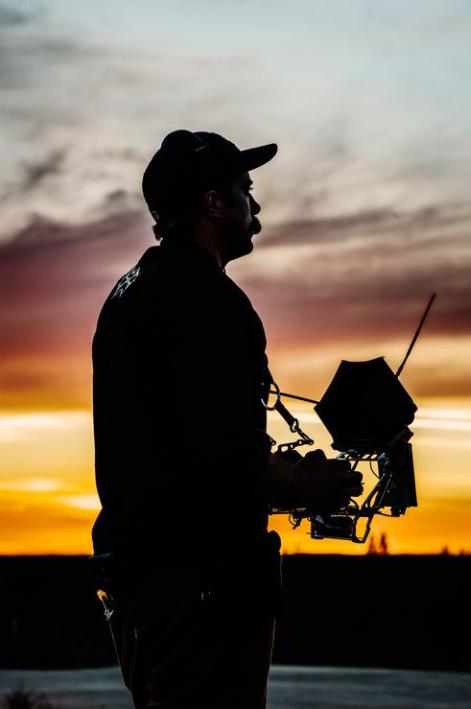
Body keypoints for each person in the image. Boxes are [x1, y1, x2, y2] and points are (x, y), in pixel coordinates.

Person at [91, 130, 361, 708]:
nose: (255, 205)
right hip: (200, 593)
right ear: (213, 202)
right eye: (245, 188)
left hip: (145, 581)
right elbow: (229, 459)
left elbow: (186, 445)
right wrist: (313, 483)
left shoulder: (130, 291)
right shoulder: (206, 299)